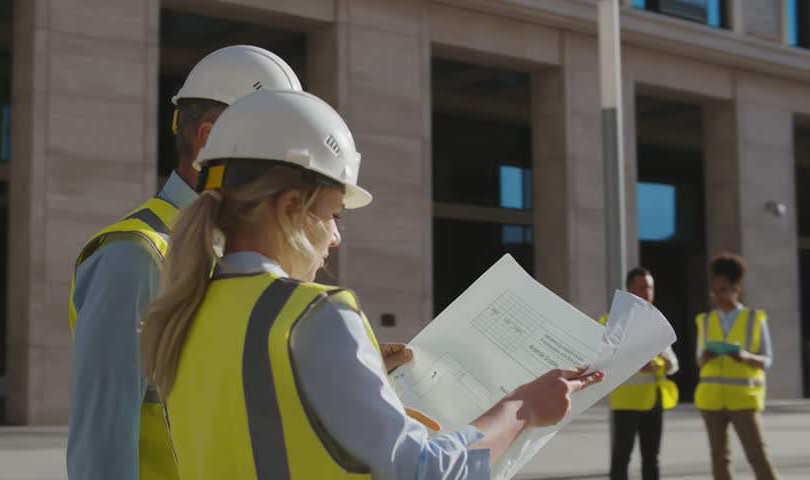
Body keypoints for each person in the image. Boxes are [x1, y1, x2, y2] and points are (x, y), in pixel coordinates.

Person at [138, 89, 605, 479]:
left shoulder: (182, 314)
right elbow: (423, 471)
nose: (336, 237)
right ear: (289, 208)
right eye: (334, 215)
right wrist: (522, 408)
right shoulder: (315, 315)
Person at [65, 46, 303, 480]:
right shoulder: (135, 256)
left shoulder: (237, 250)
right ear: (209, 140)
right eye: (276, 152)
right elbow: (102, 444)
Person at [695, 252, 778, 480]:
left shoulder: (754, 318)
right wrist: (706, 356)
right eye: (714, 290)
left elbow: (767, 359)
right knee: (719, 457)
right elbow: (699, 361)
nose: (717, 295)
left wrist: (745, 356)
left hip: (744, 398)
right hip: (711, 399)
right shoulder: (705, 320)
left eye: (723, 289)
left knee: (757, 455)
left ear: (736, 289)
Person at [598, 267, 679, 480]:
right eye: (641, 287)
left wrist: (660, 363)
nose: (647, 292)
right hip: (625, 402)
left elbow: (673, 363)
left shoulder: (656, 322)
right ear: (629, 289)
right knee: (621, 458)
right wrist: (637, 363)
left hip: (653, 400)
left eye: (650, 287)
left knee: (652, 458)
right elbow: (603, 358)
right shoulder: (612, 321)